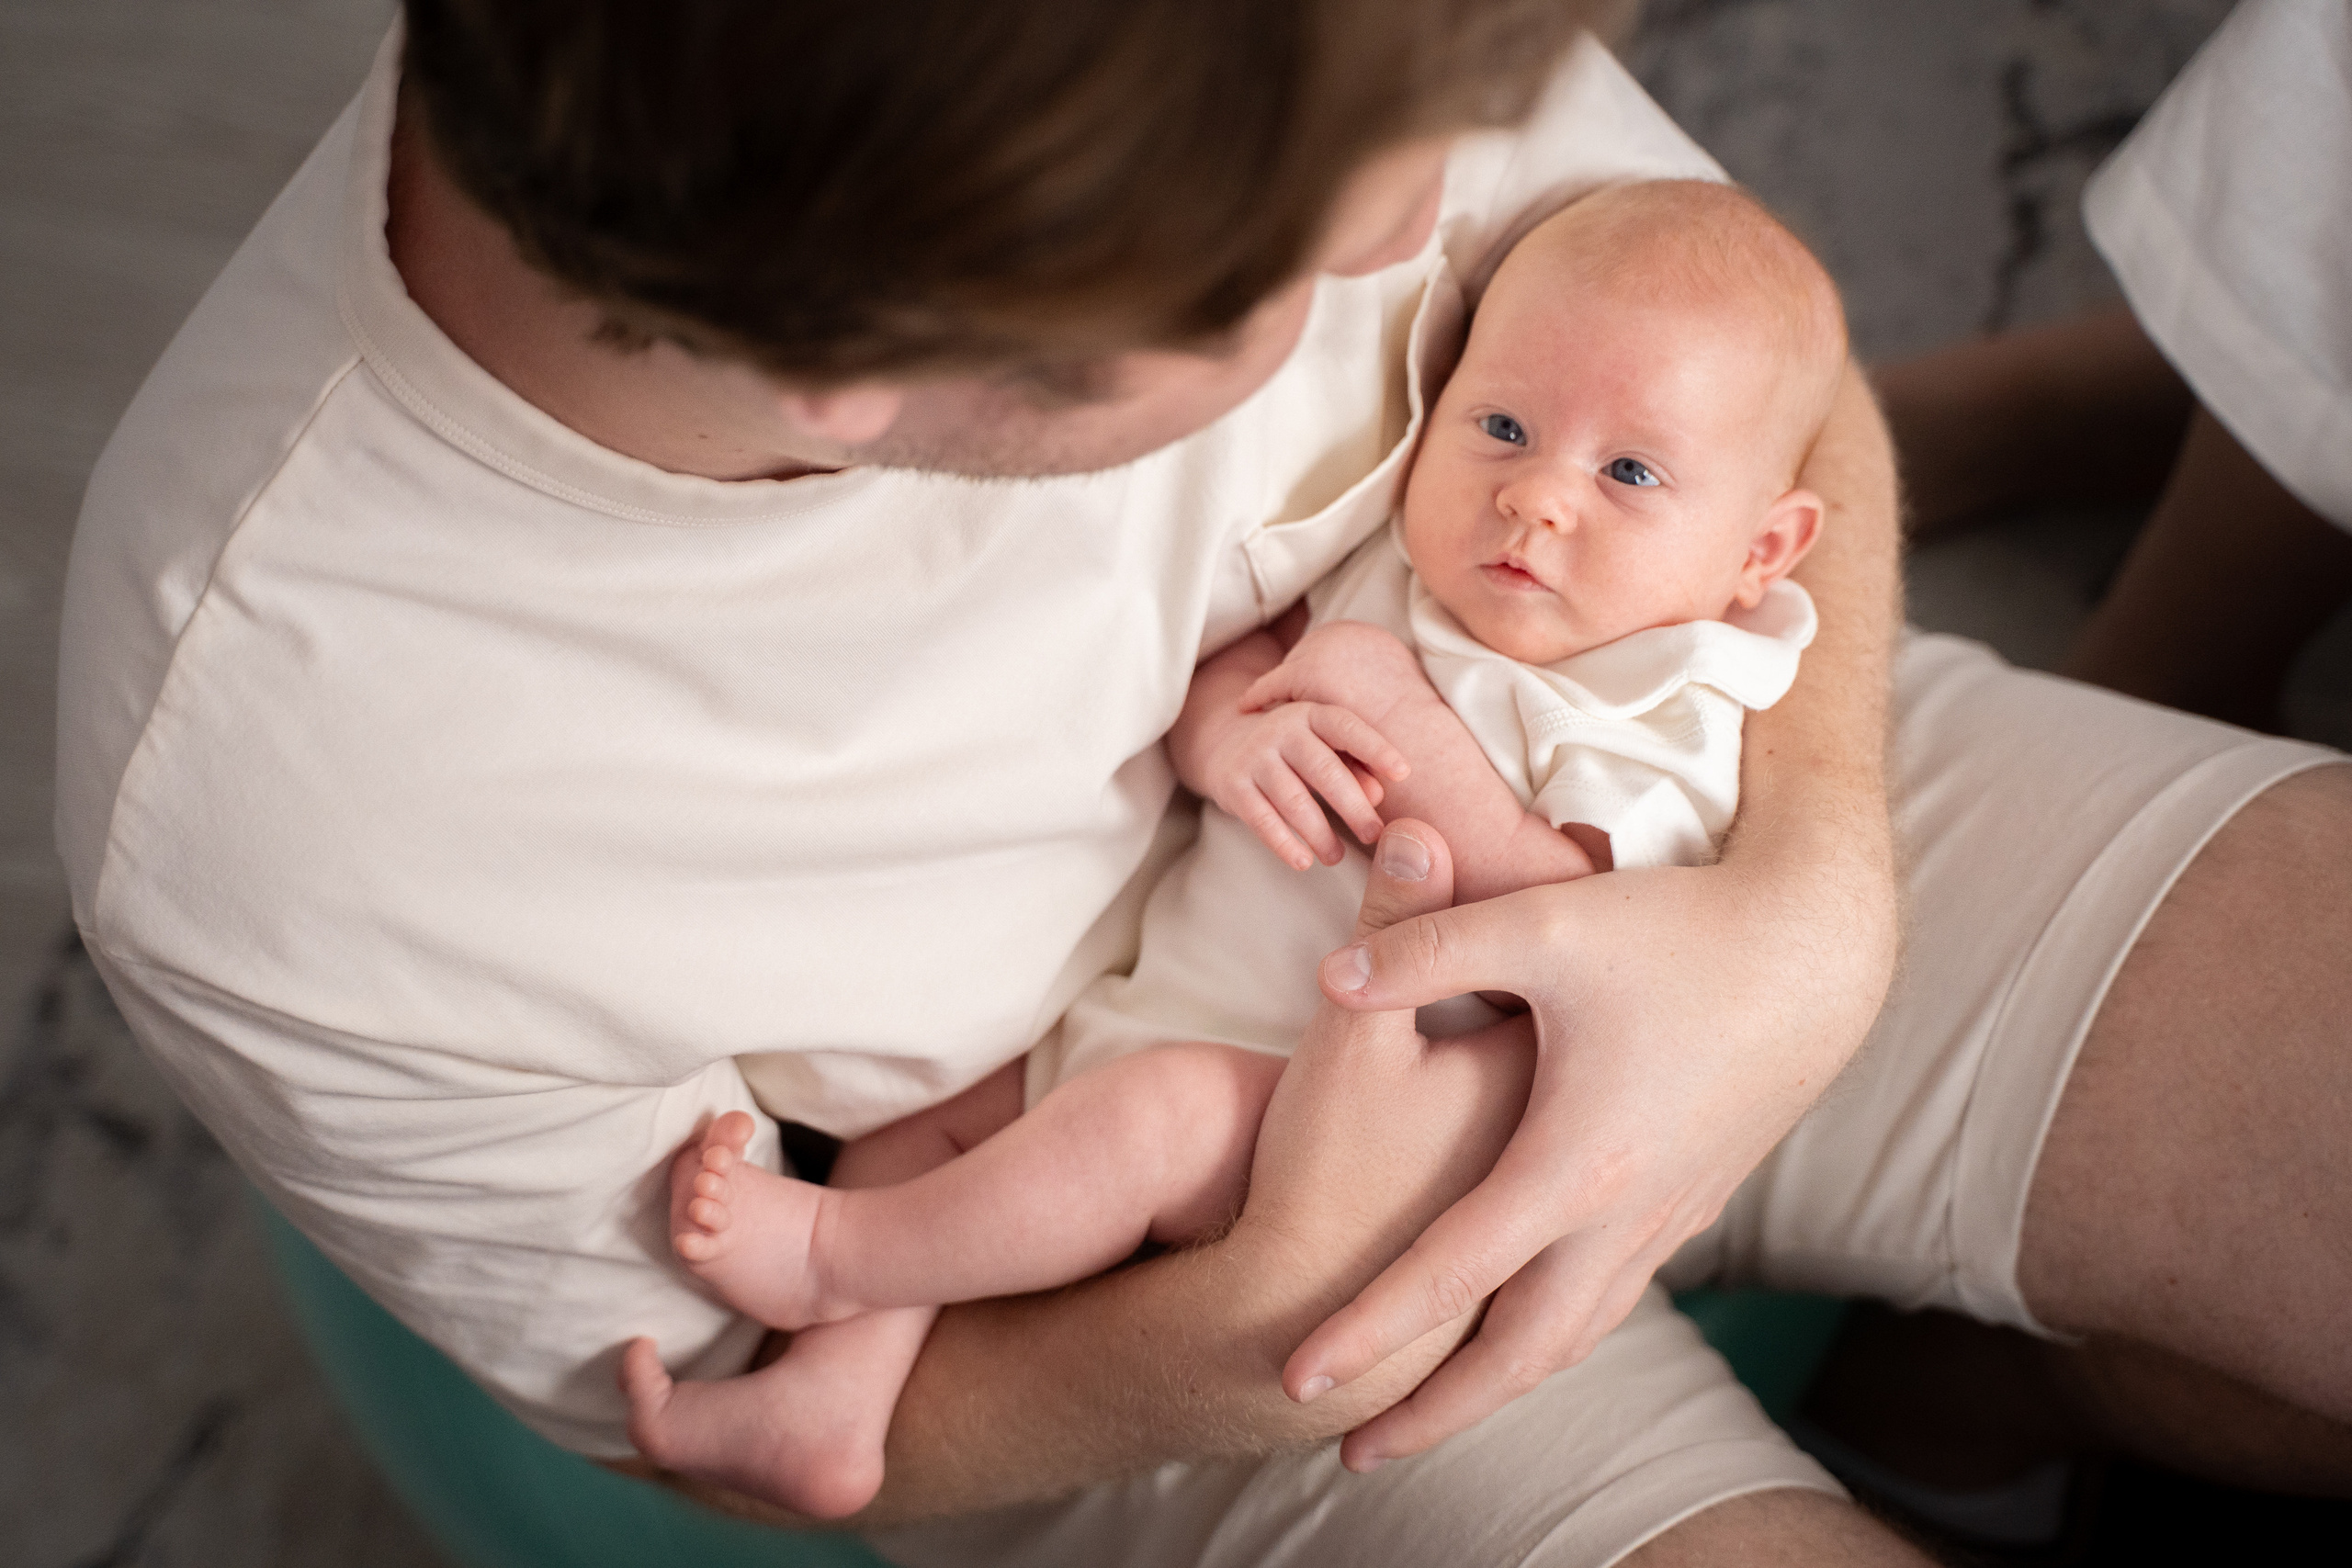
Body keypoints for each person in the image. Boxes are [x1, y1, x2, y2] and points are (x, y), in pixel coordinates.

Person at [52, 1, 2352, 1562]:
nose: (1429, 244)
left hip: (1672, 822)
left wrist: (1812, 895)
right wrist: (1304, 1307)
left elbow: (1750, 361)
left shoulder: (1265, 63)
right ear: (855, 374)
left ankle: (1973, 1390)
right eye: (1316, 250)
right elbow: (818, 1404)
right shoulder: (278, 809)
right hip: (1163, 1288)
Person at [616, 179, 1842, 1517]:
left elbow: (1559, 944)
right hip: (1147, 1005)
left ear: (1758, 550)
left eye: (1630, 473)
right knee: (934, 1102)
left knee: (1153, 1121)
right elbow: (1237, 679)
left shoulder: (1657, 701)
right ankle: (833, 1404)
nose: (1536, 499)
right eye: (1501, 427)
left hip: (1325, 1125)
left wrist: (1392, 710)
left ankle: (839, 1263)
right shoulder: (1409, 569)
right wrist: (1225, 741)